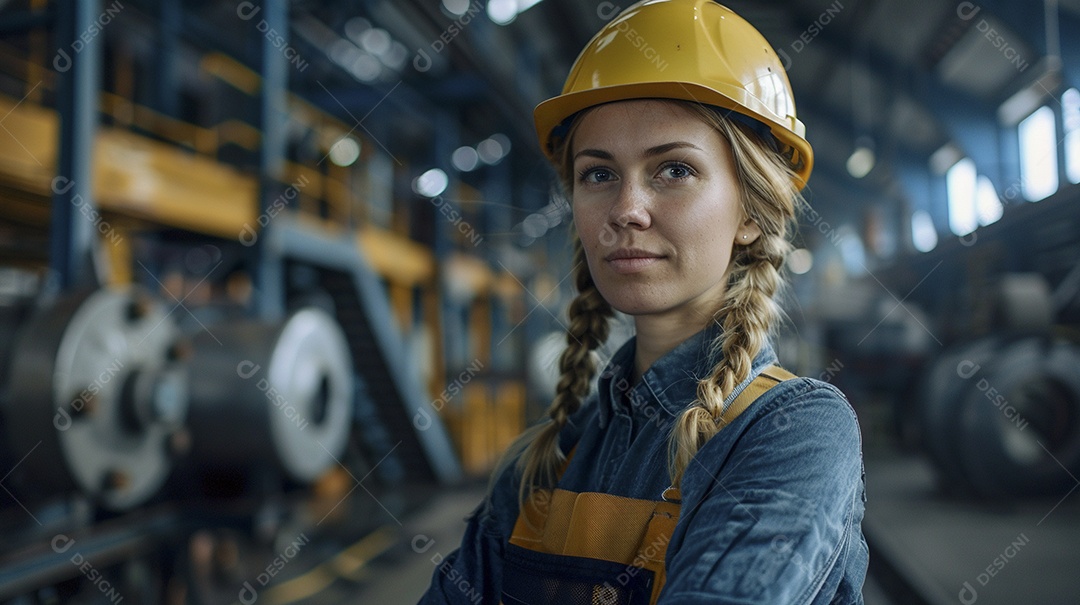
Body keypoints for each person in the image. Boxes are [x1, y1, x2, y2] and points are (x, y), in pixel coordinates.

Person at [419, 1, 867, 603]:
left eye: (674, 169)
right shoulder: (547, 459)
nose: (626, 210)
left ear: (751, 213)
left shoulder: (795, 431)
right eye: (599, 174)